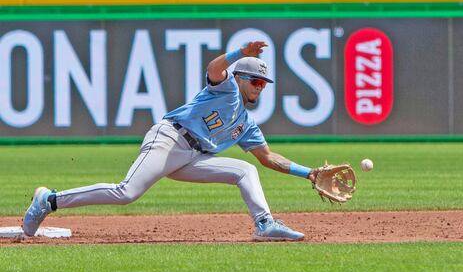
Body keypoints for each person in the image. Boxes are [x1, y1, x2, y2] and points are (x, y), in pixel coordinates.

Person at [23, 42, 320, 241]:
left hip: (192, 157)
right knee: (126, 193)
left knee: (246, 170)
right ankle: (49, 200)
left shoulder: (246, 123)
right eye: (256, 82)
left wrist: (309, 173)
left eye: (263, 85)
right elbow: (215, 69)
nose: (260, 88)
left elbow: (269, 157)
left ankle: (264, 224)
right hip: (170, 138)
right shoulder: (226, 88)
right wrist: (238, 52)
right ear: (241, 78)